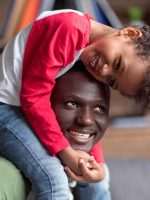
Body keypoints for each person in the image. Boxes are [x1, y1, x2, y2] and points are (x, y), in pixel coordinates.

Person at [1, 7, 148, 199]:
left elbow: (87, 123)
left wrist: (98, 164)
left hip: (26, 112)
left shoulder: (91, 52)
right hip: (6, 109)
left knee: (99, 181)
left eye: (112, 81)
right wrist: (66, 152)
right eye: (118, 64)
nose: (104, 71)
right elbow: (33, 96)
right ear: (129, 33)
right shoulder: (69, 30)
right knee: (54, 180)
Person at [0, 60, 111, 200]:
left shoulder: (92, 164)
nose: (86, 120)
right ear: (43, 108)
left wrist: (98, 167)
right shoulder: (6, 179)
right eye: (72, 104)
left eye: (99, 108)